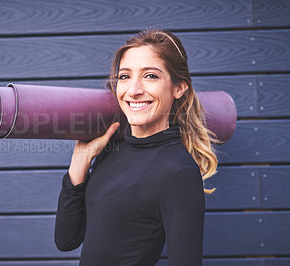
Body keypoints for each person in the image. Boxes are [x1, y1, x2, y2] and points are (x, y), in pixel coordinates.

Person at [54, 29, 218, 266]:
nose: (133, 90)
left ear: (178, 88)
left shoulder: (178, 171)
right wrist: (78, 168)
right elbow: (67, 240)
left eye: (150, 76)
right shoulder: (112, 149)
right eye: (124, 76)